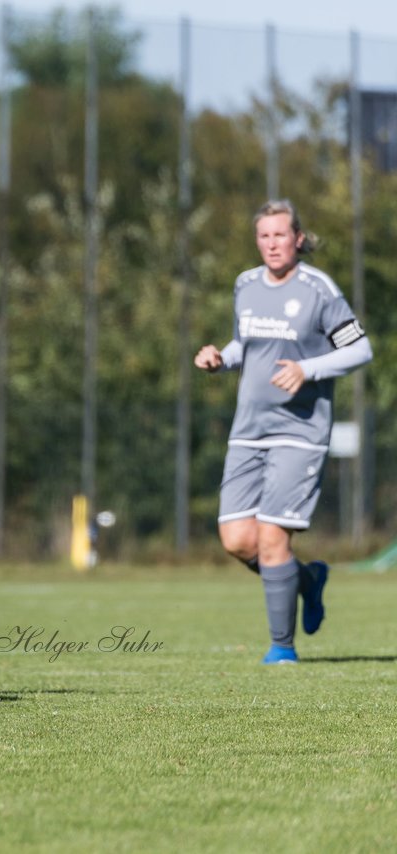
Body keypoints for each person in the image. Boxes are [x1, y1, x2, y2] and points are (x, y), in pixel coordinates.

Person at [194, 199, 372, 665]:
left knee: (272, 538)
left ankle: (282, 649)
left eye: (280, 234)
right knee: (237, 540)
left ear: (298, 238)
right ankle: (308, 581)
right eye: (264, 235)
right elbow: (244, 344)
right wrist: (221, 359)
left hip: (300, 429)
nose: (272, 243)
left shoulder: (319, 289)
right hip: (248, 429)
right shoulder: (245, 285)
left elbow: (360, 350)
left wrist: (308, 369)